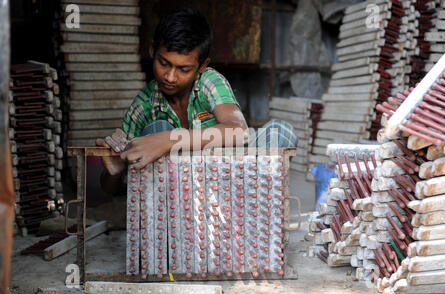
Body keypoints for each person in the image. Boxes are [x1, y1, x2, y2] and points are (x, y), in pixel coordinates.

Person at [97, 8, 298, 195]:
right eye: (163, 63)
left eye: (183, 69)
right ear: (152, 51)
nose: (170, 77)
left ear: (202, 66)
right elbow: (111, 190)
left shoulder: (209, 81)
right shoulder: (142, 106)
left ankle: (247, 208)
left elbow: (239, 130)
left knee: (281, 132)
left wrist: (168, 140)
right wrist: (116, 170)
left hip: (227, 179)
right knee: (156, 129)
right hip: (178, 196)